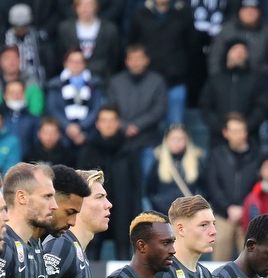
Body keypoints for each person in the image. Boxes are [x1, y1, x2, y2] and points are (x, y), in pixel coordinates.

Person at [77, 105, 143, 259]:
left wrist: (137, 213)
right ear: (97, 124)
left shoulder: (130, 150)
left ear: (118, 123)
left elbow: (137, 186)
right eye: (104, 120)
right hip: (93, 209)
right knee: (91, 251)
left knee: (124, 252)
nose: (108, 124)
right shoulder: (87, 151)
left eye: (111, 120)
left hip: (124, 210)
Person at [204, 113, 265, 262]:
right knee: (219, 260)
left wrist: (244, 208)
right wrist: (228, 208)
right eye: (235, 131)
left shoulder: (258, 155)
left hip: (249, 215)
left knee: (251, 262)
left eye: (242, 130)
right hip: (223, 215)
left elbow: (259, 186)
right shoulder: (217, 155)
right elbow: (213, 185)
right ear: (226, 133)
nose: (240, 135)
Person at [129, 0, 197, 127]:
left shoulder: (183, 13)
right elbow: (133, 43)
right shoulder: (140, 13)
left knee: (175, 128)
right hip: (147, 81)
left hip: (175, 80)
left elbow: (191, 45)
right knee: (147, 127)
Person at [105, 44, 169, 179]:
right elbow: (110, 108)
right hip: (120, 142)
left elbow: (159, 110)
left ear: (147, 60)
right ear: (126, 61)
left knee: (145, 179)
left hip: (148, 141)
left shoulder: (157, 81)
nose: (135, 63)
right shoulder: (116, 82)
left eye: (139, 59)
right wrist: (123, 125)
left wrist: (137, 125)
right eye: (131, 59)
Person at [199, 38, 268, 147]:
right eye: (236, 50)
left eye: (243, 51)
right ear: (227, 53)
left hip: (249, 138)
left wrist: (245, 127)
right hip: (219, 138)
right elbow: (205, 107)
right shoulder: (215, 80)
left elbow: (262, 106)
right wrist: (223, 128)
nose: (240, 54)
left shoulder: (256, 80)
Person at [46, 49, 105, 148]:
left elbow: (97, 108)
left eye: (79, 61)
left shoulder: (95, 84)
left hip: (88, 134)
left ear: (84, 63)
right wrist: (69, 127)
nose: (75, 65)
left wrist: (81, 127)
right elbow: (53, 109)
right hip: (63, 134)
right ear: (65, 63)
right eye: (72, 61)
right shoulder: (54, 85)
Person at [208, 0, 268, 77]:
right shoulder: (226, 30)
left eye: (253, 9)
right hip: (229, 79)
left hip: (260, 79)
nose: (249, 13)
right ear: (239, 12)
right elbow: (215, 59)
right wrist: (218, 79)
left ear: (259, 12)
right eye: (246, 9)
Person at [56, 0, 121, 81]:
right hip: (72, 77)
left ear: (96, 7)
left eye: (88, 5)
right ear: (75, 8)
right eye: (81, 5)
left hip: (102, 77)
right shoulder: (65, 29)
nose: (85, 9)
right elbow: (61, 53)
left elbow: (114, 57)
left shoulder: (109, 29)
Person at [147, 126, 205, 215]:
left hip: (188, 213)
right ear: (166, 141)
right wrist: (158, 204)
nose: (177, 142)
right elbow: (150, 189)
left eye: (180, 139)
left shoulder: (196, 161)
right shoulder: (158, 161)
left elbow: (205, 188)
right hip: (164, 212)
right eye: (173, 139)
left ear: (187, 141)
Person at [0, 45, 45, 115]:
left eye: (15, 58)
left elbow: (36, 110)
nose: (11, 62)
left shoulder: (31, 82)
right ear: (0, 63)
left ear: (20, 61)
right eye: (7, 58)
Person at [1, 3, 55, 89]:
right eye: (17, 27)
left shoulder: (39, 38)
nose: (21, 30)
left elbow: (49, 61)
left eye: (24, 26)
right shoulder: (3, 39)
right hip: (11, 86)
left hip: (37, 83)